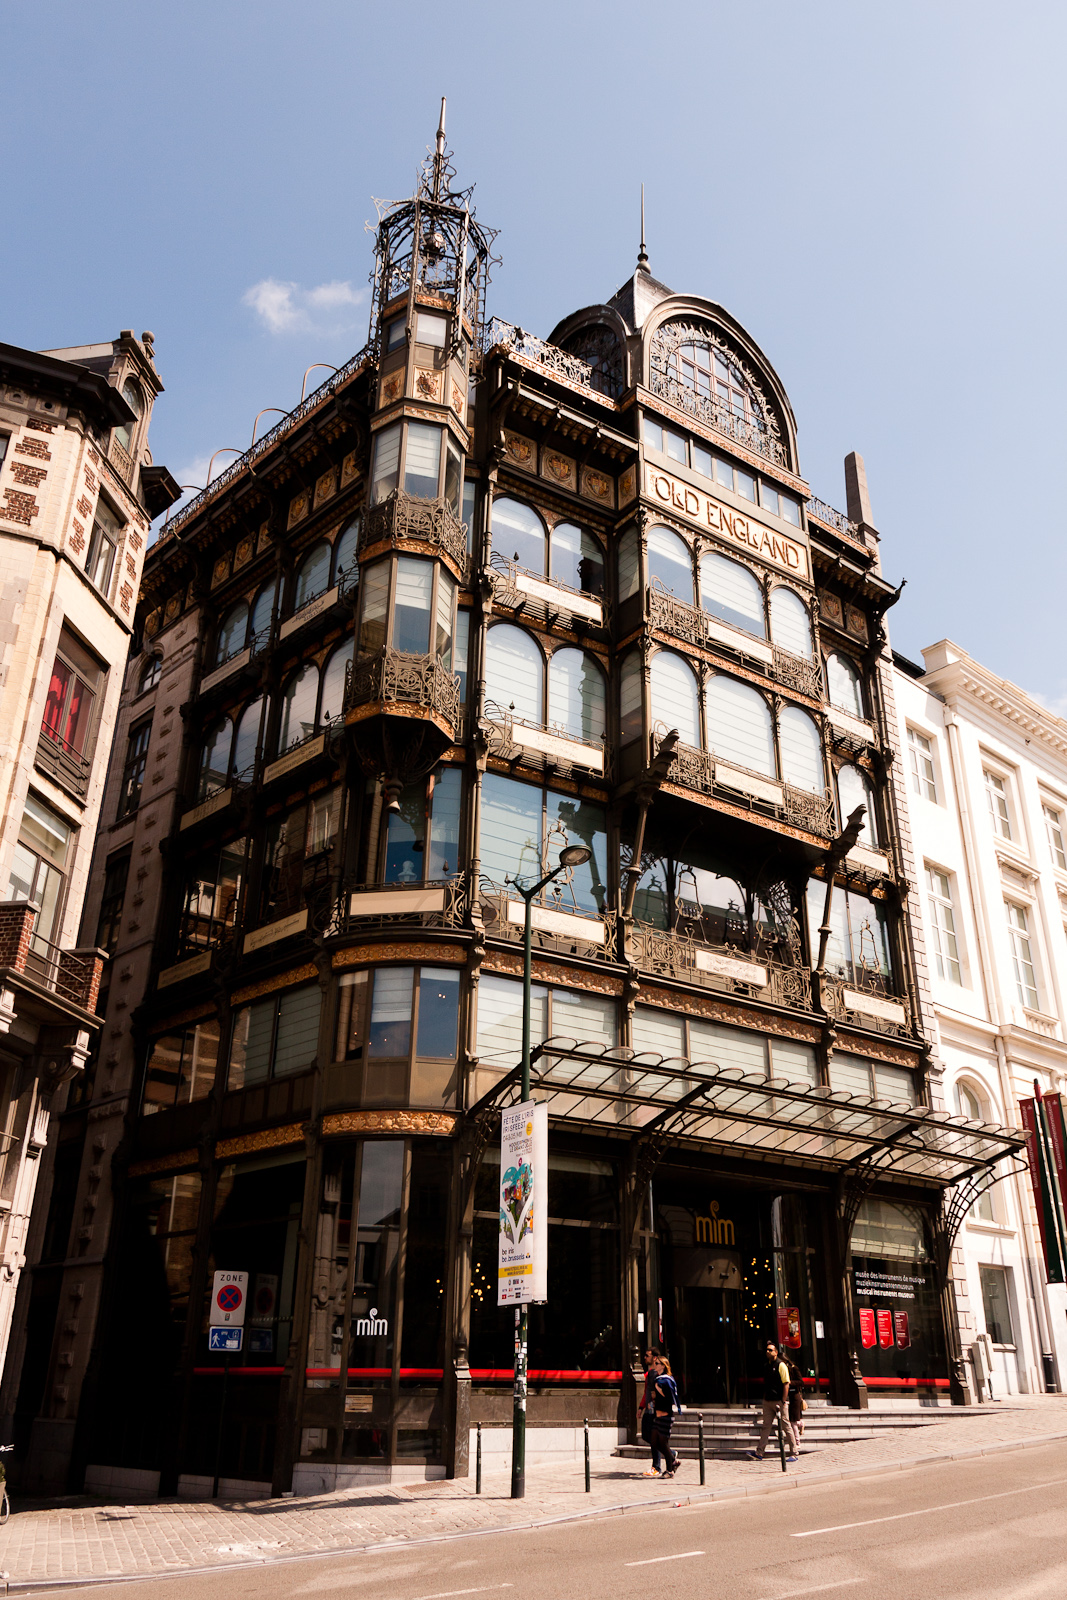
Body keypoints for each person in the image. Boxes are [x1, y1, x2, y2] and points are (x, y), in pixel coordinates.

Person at [750, 1340, 798, 1462]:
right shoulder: (766, 1366)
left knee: (786, 1426)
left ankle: (794, 1452)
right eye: (767, 1350)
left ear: (776, 1352)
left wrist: (783, 1400)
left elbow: (786, 1383)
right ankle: (760, 1452)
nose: (768, 1352)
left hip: (779, 1401)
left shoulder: (781, 1365)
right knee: (766, 1426)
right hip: (768, 1401)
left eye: (770, 1350)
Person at [644, 1353, 681, 1478]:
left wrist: (659, 1391)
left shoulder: (666, 1380)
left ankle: (670, 1470)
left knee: (663, 1442)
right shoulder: (658, 1379)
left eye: (657, 1363)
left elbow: (670, 1398)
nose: (655, 1365)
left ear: (663, 1366)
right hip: (658, 1415)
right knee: (654, 1441)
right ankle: (673, 1459)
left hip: (666, 1415)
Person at [637, 1348, 659, 1448]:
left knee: (650, 1434)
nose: (645, 1358)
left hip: (654, 1407)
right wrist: (641, 1407)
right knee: (646, 1435)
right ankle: (669, 1453)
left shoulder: (657, 1373)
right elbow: (646, 1392)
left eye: (647, 1356)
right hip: (649, 1407)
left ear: (654, 1358)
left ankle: (669, 1453)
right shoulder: (649, 1373)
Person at [786, 1355, 806, 1442]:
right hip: (790, 1396)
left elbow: (801, 1382)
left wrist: (790, 1382)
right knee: (794, 1419)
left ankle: (797, 1441)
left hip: (795, 1396)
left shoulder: (794, 1368)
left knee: (793, 1420)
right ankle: (801, 1424)